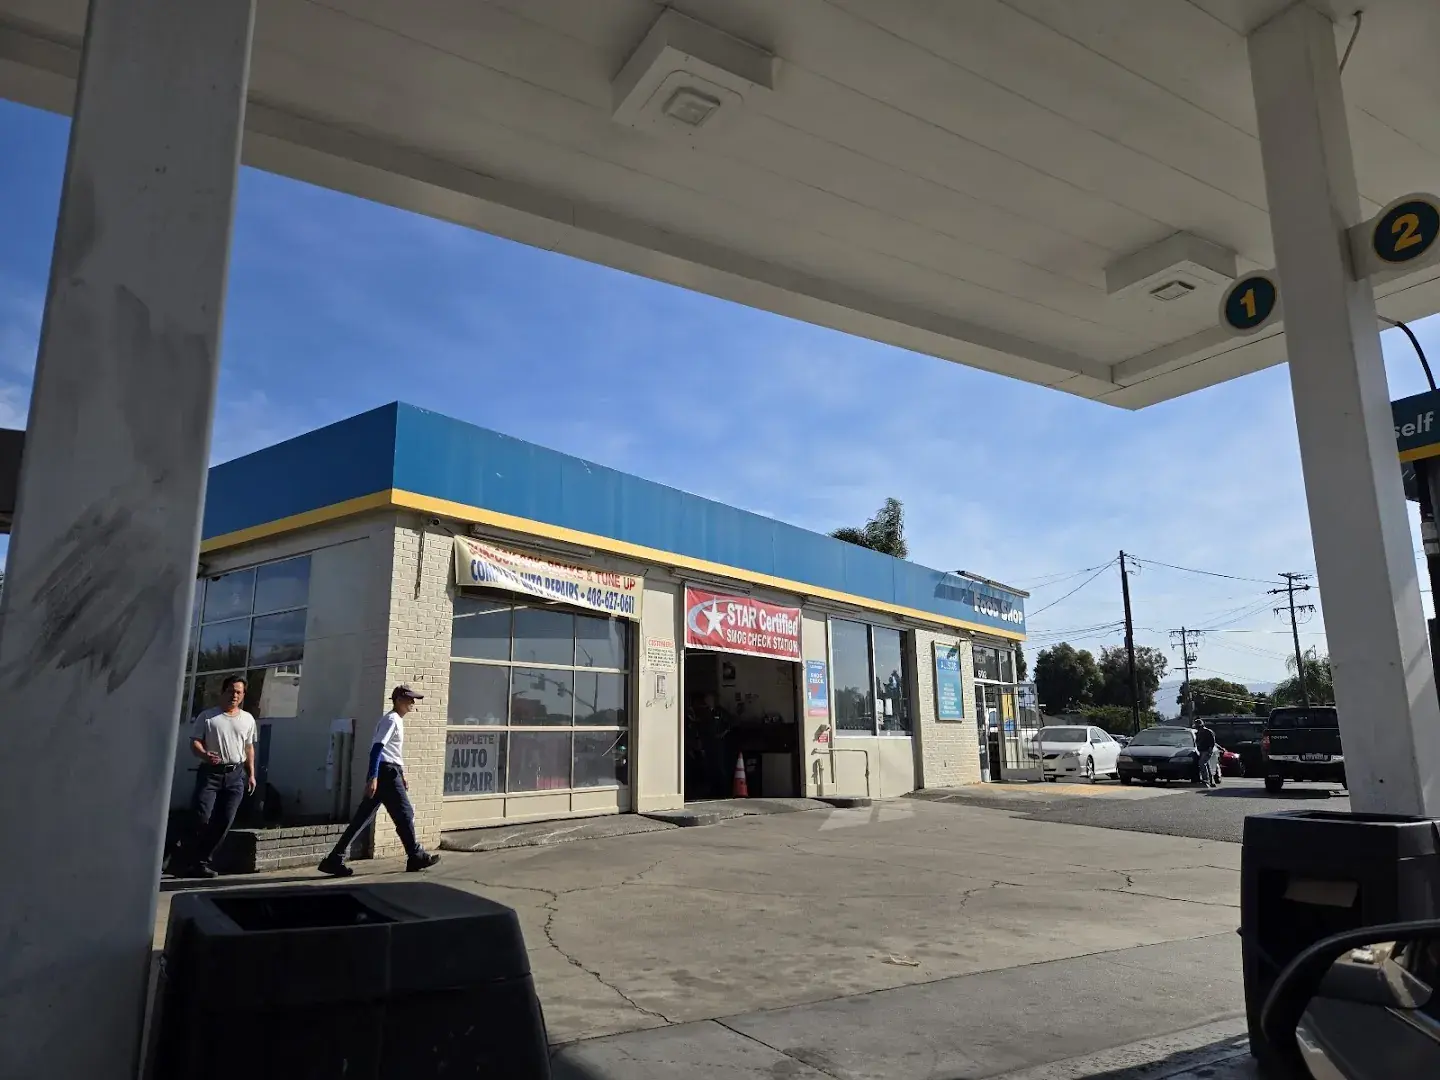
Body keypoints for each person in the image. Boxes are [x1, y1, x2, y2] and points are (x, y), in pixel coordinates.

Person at [319, 686, 441, 876]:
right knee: (405, 813)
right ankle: (415, 856)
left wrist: (402, 774)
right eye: (409, 699)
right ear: (398, 700)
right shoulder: (391, 720)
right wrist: (373, 777)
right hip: (386, 774)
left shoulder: (396, 720)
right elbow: (377, 749)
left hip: (390, 771)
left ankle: (334, 859)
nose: (413, 703)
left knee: (363, 818)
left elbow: (392, 752)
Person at [172, 674, 257, 878]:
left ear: (243, 695)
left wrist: (251, 774)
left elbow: (249, 748)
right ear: (223, 692)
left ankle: (201, 862)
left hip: (235, 775)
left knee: (225, 820)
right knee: (201, 817)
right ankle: (182, 858)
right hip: (210, 774)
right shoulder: (209, 717)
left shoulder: (247, 719)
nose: (234, 695)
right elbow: (195, 743)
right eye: (230, 691)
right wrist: (205, 755)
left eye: (238, 692)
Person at [1194, 718, 1218, 787]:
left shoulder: (1208, 731)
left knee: (1202, 763)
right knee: (1207, 765)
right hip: (1201, 750)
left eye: (1197, 725)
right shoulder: (1198, 732)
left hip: (1207, 750)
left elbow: (1212, 742)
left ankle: (1206, 779)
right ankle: (1211, 781)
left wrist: (1210, 750)